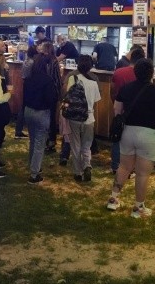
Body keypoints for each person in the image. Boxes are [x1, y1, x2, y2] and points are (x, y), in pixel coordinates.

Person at [106, 59, 155, 218]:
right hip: (150, 135)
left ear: (135, 72)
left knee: (123, 167)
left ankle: (113, 199)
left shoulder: (126, 88)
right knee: (143, 174)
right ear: (152, 73)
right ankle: (138, 208)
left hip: (128, 132)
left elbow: (117, 109)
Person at [63, 55, 101, 182]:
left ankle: (77, 172)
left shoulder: (73, 78)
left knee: (75, 145)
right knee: (87, 145)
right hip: (89, 117)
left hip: (74, 117)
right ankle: (87, 165)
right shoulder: (94, 82)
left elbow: (67, 96)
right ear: (90, 66)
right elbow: (96, 102)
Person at [23, 53, 59, 185]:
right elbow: (51, 99)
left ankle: (33, 166)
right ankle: (34, 174)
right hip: (41, 112)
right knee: (39, 143)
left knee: (33, 141)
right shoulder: (47, 80)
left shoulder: (28, 78)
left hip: (28, 110)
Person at [109, 47, 145, 173]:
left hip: (119, 108)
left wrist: (115, 103)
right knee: (135, 140)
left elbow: (112, 91)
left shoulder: (118, 72)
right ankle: (132, 168)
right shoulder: (142, 75)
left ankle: (115, 165)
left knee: (117, 136)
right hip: (138, 111)